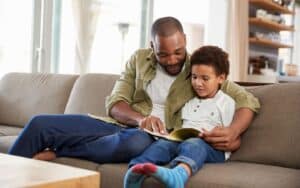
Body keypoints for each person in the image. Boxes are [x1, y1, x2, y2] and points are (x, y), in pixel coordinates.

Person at [8, 16, 259, 164]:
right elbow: (116, 102)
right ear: (152, 47)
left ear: (185, 41)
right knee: (40, 124)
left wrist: (233, 131)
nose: (172, 60)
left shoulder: (199, 70)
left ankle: (60, 150)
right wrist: (141, 119)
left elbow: (247, 99)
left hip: (155, 138)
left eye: (178, 52)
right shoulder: (139, 60)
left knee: (135, 145)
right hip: (120, 125)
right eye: (163, 54)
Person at [124, 46, 236, 188]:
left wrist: (217, 137)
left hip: (211, 148)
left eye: (205, 78)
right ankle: (136, 171)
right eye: (194, 77)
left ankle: (179, 174)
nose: (198, 83)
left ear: (221, 78)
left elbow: (233, 136)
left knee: (194, 144)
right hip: (182, 141)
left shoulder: (226, 103)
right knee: (163, 145)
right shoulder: (189, 101)